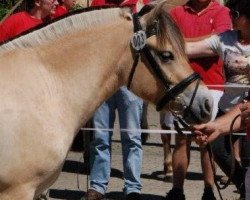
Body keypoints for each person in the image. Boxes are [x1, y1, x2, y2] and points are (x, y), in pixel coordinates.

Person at [164, 1, 231, 199]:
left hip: (212, 85)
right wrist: (208, 39)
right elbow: (170, 43)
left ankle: (208, 190)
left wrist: (184, 43)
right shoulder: (176, 12)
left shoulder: (222, 12)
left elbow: (219, 43)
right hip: (182, 86)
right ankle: (177, 190)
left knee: (207, 141)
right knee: (182, 139)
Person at [82, 1, 149, 200]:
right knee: (100, 136)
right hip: (105, 78)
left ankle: (133, 187)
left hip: (130, 80)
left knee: (132, 136)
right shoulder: (98, 4)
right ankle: (98, 185)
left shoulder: (141, 5)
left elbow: (145, 40)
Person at [185, 0, 250, 198]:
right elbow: (189, 49)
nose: (231, 15)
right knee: (218, 151)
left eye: (235, 13)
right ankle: (243, 186)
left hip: (247, 114)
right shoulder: (225, 39)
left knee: (248, 157)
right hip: (228, 108)